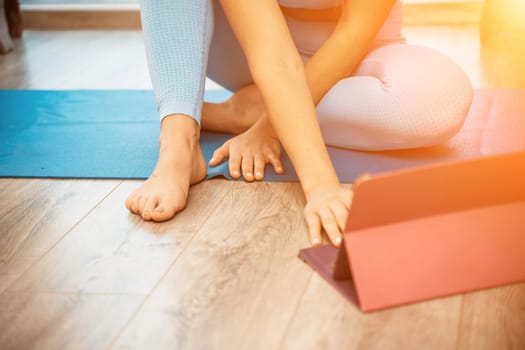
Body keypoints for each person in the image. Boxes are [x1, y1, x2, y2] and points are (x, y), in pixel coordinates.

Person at [125, 0, 473, 246]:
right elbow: (273, 55)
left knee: (443, 99)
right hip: (247, 51)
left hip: (360, 51)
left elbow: (355, 31)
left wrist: (268, 128)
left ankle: (254, 108)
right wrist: (320, 186)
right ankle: (179, 142)